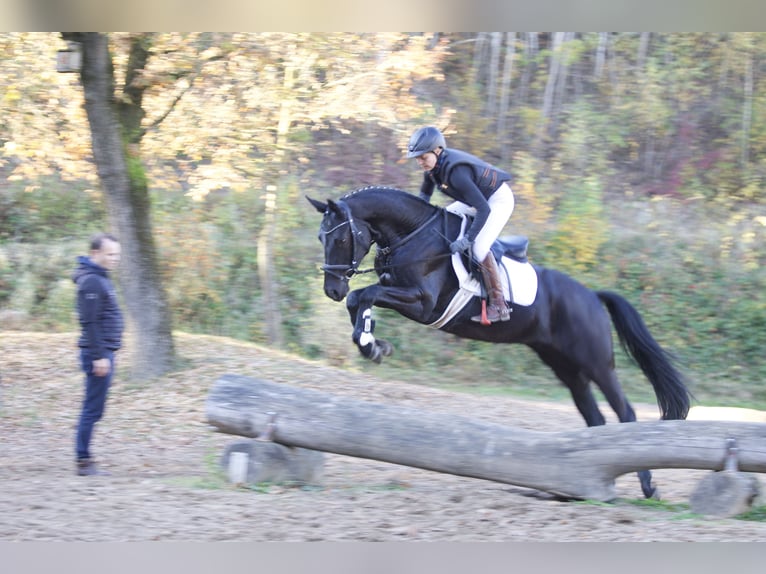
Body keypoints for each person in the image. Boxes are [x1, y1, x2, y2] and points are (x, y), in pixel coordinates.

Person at [407, 126, 514, 323]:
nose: (420, 161)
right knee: (443, 216)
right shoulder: (432, 170)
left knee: (479, 247)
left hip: (496, 200)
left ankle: (499, 305)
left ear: (437, 150)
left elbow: (483, 209)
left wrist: (467, 239)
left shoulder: (456, 172)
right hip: (475, 199)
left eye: (423, 157)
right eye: (417, 158)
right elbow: (423, 198)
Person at [72, 232, 124, 476]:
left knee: (95, 408)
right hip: (98, 354)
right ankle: (83, 461)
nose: (115, 258)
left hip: (104, 352)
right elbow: (89, 322)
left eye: (117, 254)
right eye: (110, 254)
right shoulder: (92, 281)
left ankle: (84, 456)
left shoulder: (100, 277)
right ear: (95, 254)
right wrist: (100, 356)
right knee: (92, 408)